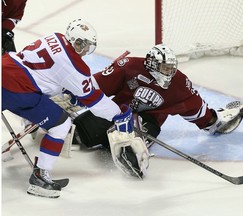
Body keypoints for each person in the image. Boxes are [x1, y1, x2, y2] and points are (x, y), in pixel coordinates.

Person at [2, 19, 149, 198]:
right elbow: (95, 101)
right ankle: (40, 177)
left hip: (7, 69)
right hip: (17, 89)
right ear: (74, 40)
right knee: (60, 125)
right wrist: (119, 114)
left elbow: (45, 72)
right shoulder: (74, 65)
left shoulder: (54, 37)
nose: (85, 50)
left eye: (88, 46)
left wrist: (66, 89)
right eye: (82, 44)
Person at [72, 44, 243, 152]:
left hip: (147, 121)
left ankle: (134, 156)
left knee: (132, 142)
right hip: (117, 112)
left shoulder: (179, 83)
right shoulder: (129, 67)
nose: (169, 72)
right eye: (165, 68)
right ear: (151, 63)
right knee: (80, 132)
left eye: (171, 68)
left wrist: (213, 121)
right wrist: (73, 95)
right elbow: (96, 84)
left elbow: (195, 107)